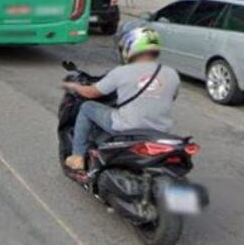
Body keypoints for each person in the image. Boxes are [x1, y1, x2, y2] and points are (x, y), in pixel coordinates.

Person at [61, 27, 180, 172]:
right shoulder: (172, 73)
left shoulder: (122, 72)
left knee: (87, 107)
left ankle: (77, 157)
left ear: (131, 46)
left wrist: (75, 86)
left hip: (126, 126)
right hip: (160, 130)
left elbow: (92, 93)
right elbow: (171, 97)